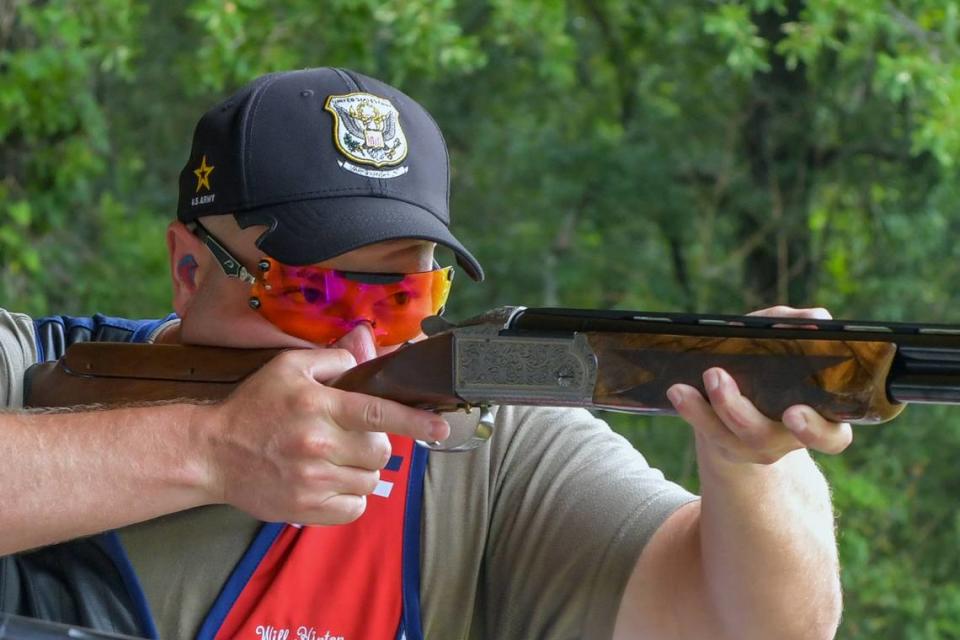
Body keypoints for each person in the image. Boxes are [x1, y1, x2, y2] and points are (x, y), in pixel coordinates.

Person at [0, 68, 847, 640]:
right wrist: (211, 451)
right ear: (189, 269)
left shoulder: (482, 445)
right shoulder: (26, 365)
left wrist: (750, 467)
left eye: (405, 298)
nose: (364, 338)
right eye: (318, 294)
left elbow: (766, 625)